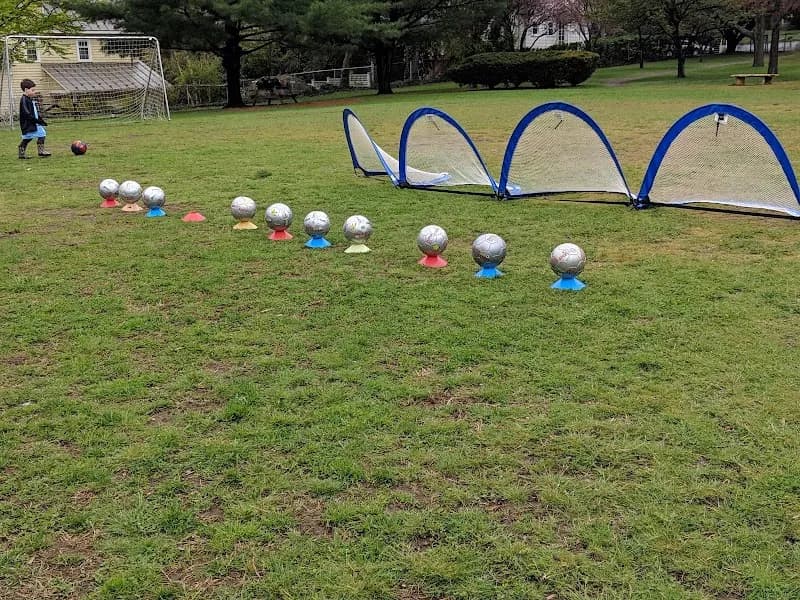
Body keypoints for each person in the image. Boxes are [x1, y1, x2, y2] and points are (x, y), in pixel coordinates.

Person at [18, 79, 51, 159]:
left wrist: (40, 120)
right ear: (26, 90)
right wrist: (36, 120)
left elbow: (34, 111)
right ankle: (21, 151)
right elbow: (27, 113)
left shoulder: (29, 99)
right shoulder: (24, 100)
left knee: (42, 134)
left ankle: (41, 151)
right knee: (27, 138)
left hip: (35, 122)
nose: (34, 92)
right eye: (32, 90)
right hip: (29, 123)